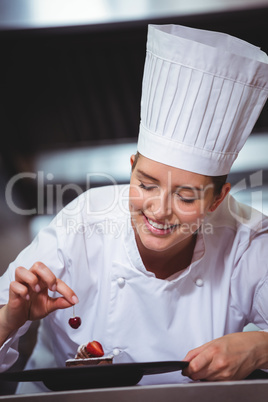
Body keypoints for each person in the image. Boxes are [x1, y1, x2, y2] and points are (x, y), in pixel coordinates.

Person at [0, 24, 268, 393]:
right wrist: (10, 319)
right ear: (131, 169)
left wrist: (260, 347)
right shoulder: (82, 223)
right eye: (146, 184)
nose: (159, 211)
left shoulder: (248, 239)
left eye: (186, 197)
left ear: (217, 199)